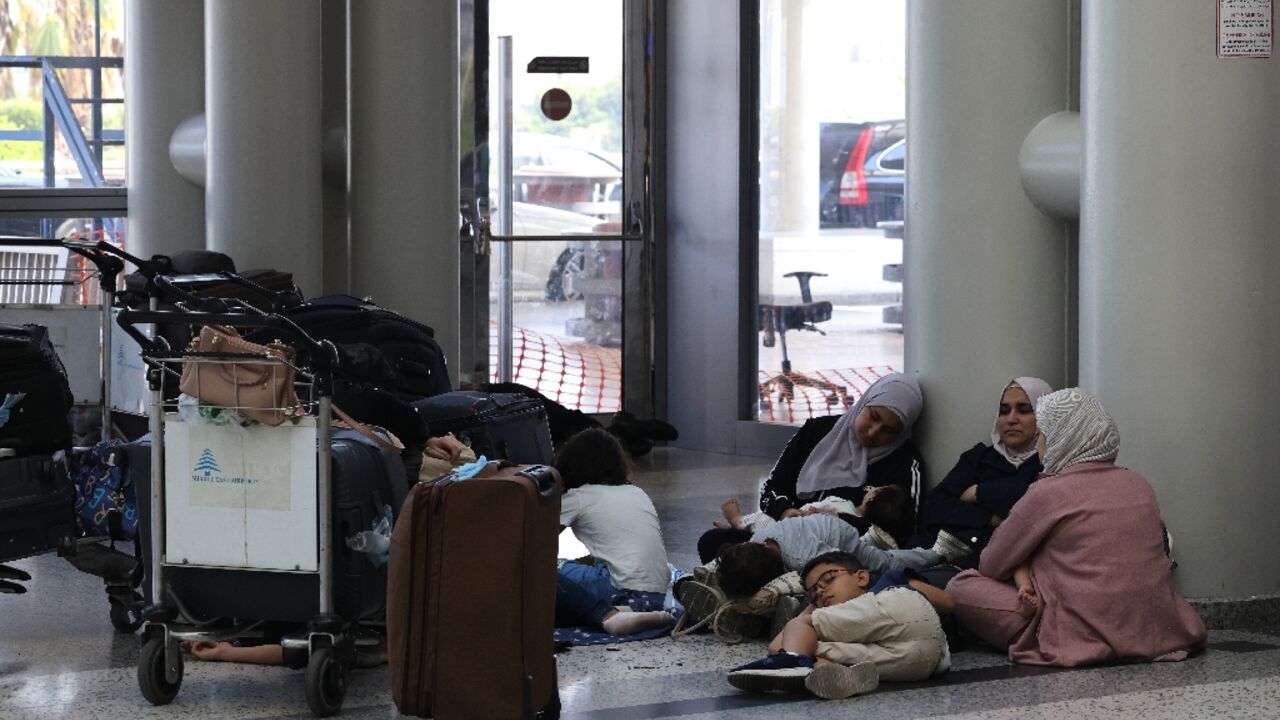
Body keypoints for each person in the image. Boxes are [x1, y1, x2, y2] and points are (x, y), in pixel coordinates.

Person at [946, 388, 1207, 666]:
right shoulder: (1139, 484)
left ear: (1064, 438)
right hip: (1153, 628)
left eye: (1044, 436)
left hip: (1073, 631)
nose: (1040, 446)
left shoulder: (1048, 491)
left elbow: (992, 564)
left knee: (961, 586)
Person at [697, 373, 925, 564]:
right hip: (783, 534)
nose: (873, 432)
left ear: (902, 433)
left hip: (841, 556)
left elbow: (901, 532)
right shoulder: (816, 431)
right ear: (864, 402)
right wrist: (786, 511)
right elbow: (773, 488)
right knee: (714, 541)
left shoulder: (905, 463)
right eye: (873, 417)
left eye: (888, 430)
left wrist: (838, 521)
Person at [725, 551, 953, 699]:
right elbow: (776, 646)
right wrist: (818, 601)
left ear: (862, 577)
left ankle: (794, 661)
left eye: (827, 579)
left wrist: (808, 614)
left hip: (903, 611)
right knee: (816, 649)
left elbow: (947, 602)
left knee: (803, 627)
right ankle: (829, 672)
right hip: (925, 663)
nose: (821, 590)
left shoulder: (888, 583)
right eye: (813, 592)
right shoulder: (841, 619)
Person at [554, 428, 676, 635]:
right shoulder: (636, 492)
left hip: (619, 587)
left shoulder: (579, 496)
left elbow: (533, 537)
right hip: (658, 593)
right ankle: (631, 608)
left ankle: (609, 612)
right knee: (585, 564)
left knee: (548, 571)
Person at [924, 377, 1052, 565]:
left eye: (1024, 410)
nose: (1011, 419)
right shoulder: (979, 457)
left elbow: (1036, 505)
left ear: (1044, 417)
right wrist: (989, 518)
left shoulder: (1048, 463)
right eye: (1004, 411)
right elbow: (934, 507)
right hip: (937, 554)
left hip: (992, 567)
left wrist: (979, 492)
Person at [713, 512, 972, 600]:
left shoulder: (807, 558)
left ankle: (937, 553)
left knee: (883, 563)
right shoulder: (756, 542)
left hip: (838, 536)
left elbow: (840, 566)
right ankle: (871, 540)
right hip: (816, 526)